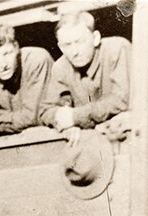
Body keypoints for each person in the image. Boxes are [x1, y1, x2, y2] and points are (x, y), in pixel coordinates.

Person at [40, 10, 130, 143]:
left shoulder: (116, 49)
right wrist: (65, 124)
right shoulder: (60, 67)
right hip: (92, 144)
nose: (75, 51)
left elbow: (123, 100)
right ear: (60, 47)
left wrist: (75, 117)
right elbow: (46, 111)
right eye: (67, 45)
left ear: (95, 38)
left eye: (80, 42)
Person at [0, 23, 53, 145]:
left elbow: (34, 117)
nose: (3, 64)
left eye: (7, 54)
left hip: (50, 138)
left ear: (16, 48)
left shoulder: (36, 60)